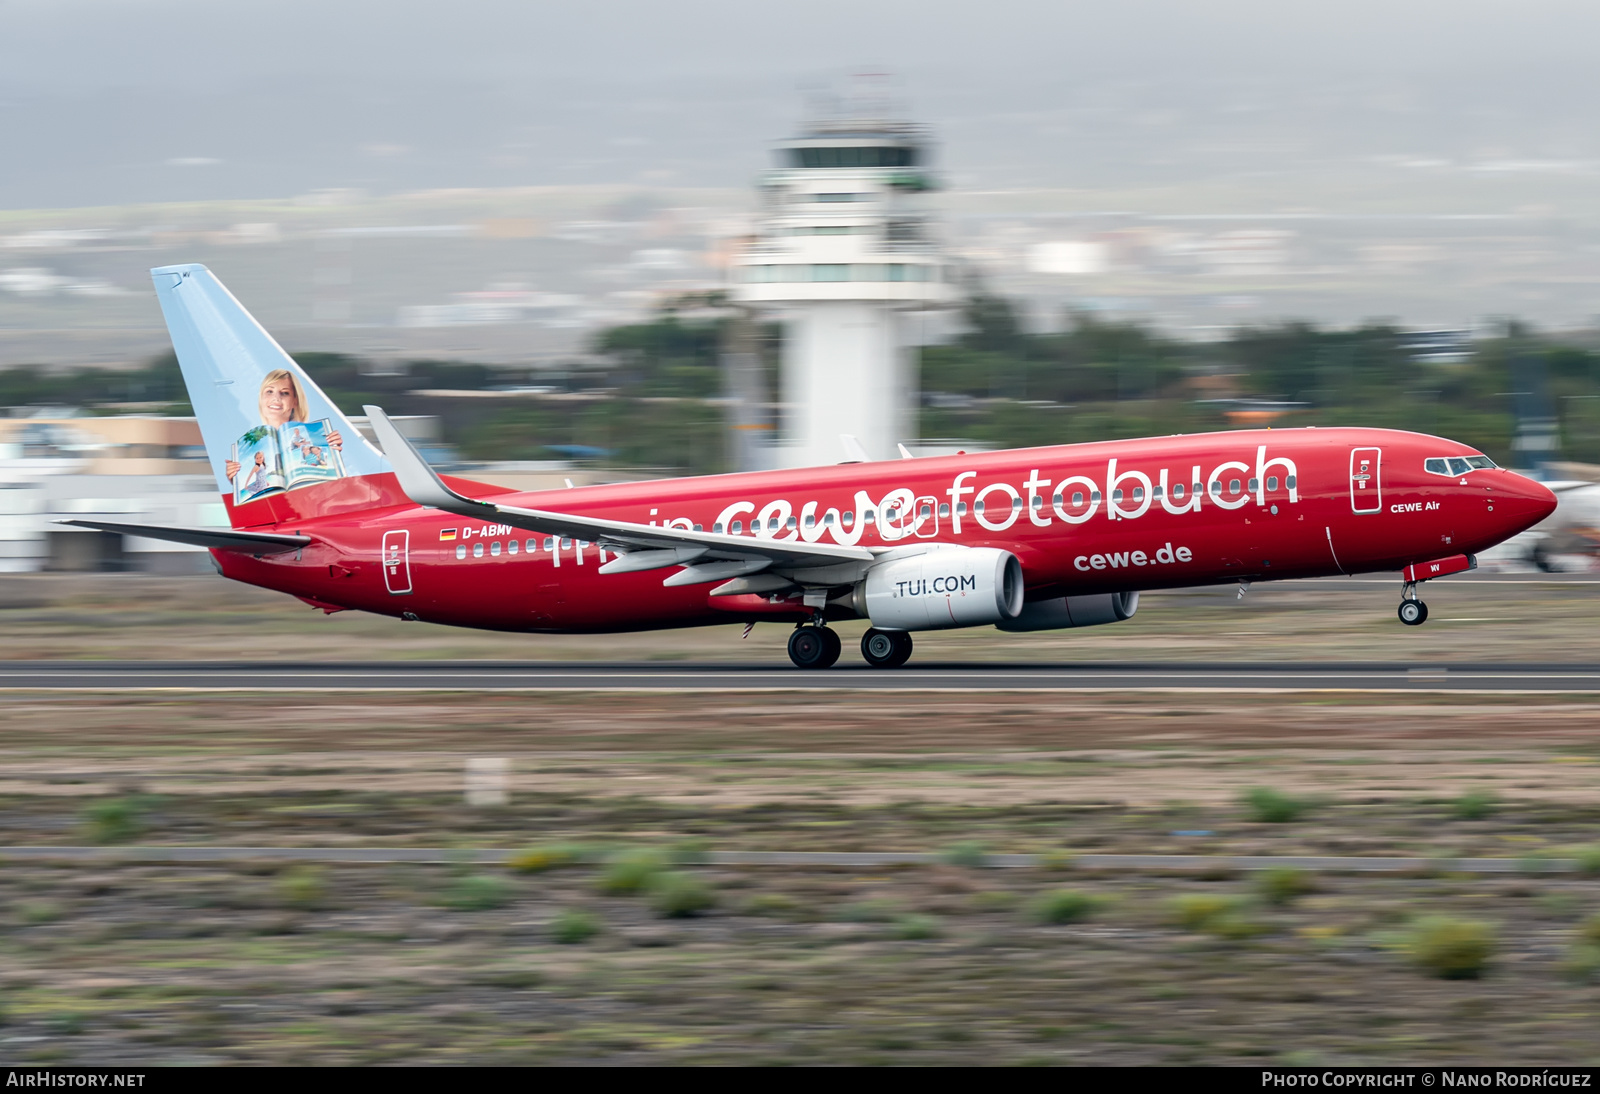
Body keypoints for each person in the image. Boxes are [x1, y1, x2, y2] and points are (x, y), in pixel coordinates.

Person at [225, 368, 342, 480]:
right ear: (261, 398)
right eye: (269, 391)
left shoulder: (316, 435)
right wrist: (235, 479)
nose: (276, 398)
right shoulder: (247, 446)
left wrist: (335, 456)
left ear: (295, 401)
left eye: (285, 393)